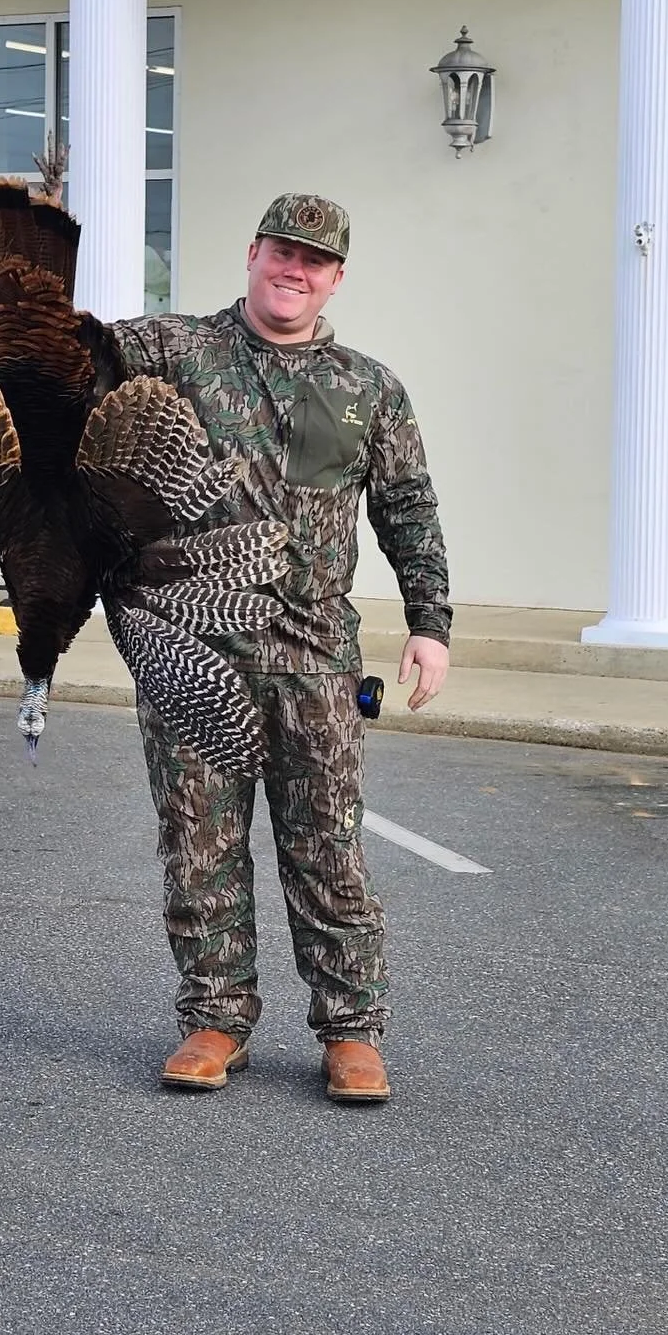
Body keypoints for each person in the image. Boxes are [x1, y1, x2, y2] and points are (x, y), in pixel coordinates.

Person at [109, 193, 452, 1105]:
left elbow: (408, 510)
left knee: (328, 848)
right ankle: (215, 1020)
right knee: (199, 844)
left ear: (336, 277)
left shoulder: (368, 388)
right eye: (282, 252)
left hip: (315, 656)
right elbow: (67, 364)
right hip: (191, 650)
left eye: (314, 260)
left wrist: (430, 623)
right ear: (254, 253)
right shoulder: (173, 352)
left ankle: (351, 1033)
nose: (294, 270)